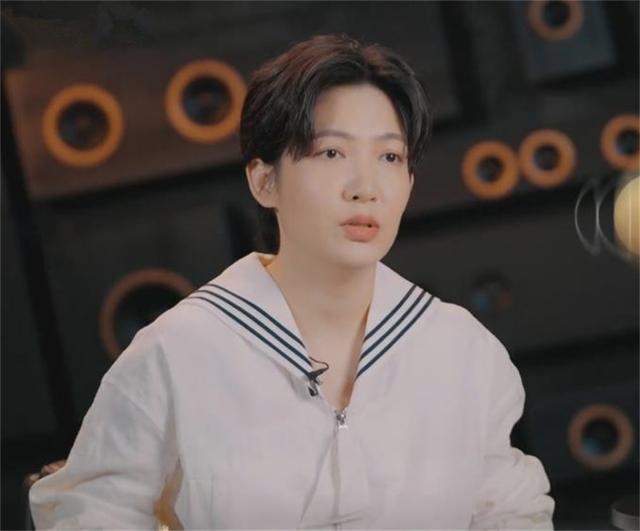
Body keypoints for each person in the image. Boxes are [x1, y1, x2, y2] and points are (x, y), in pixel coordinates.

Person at [29, 33, 555, 529]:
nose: (365, 187)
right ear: (264, 181)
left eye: (389, 157)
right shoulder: (178, 352)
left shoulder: (461, 351)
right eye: (331, 153)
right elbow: (87, 513)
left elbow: (512, 512)